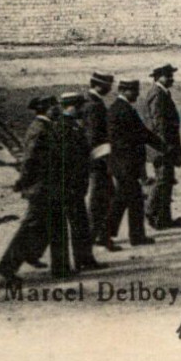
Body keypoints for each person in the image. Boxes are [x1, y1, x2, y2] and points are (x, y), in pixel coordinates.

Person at [0, 96, 65, 285]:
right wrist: (23, 182)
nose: (58, 109)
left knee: (49, 225)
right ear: (45, 109)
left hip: (48, 186)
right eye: (54, 106)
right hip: (40, 187)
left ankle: (57, 266)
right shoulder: (40, 129)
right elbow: (29, 160)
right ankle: (7, 267)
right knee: (30, 227)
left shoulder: (46, 126)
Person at [105, 79, 162, 248]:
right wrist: (162, 147)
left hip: (124, 163)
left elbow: (141, 133)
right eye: (134, 91)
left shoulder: (120, 108)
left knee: (129, 200)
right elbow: (140, 134)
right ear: (124, 91)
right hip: (125, 163)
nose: (137, 94)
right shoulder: (122, 110)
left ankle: (133, 236)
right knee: (125, 201)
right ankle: (111, 234)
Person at [55, 92, 102, 272]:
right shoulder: (63, 128)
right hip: (70, 184)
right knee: (76, 224)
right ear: (72, 107)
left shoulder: (70, 125)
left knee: (80, 224)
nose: (83, 111)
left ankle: (84, 259)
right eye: (80, 107)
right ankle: (78, 261)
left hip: (75, 183)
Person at [143, 64, 181, 230]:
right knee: (162, 181)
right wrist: (165, 147)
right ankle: (151, 211)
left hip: (165, 146)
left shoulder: (161, 93)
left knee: (167, 181)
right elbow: (159, 124)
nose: (172, 79)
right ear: (158, 77)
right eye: (168, 76)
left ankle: (164, 218)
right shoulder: (157, 95)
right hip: (162, 147)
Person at [82, 72, 117, 251]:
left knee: (106, 196)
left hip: (99, 159)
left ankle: (102, 235)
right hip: (98, 160)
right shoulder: (94, 106)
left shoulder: (93, 102)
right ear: (98, 86)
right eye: (108, 85)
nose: (110, 88)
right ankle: (92, 237)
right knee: (99, 200)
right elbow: (94, 137)